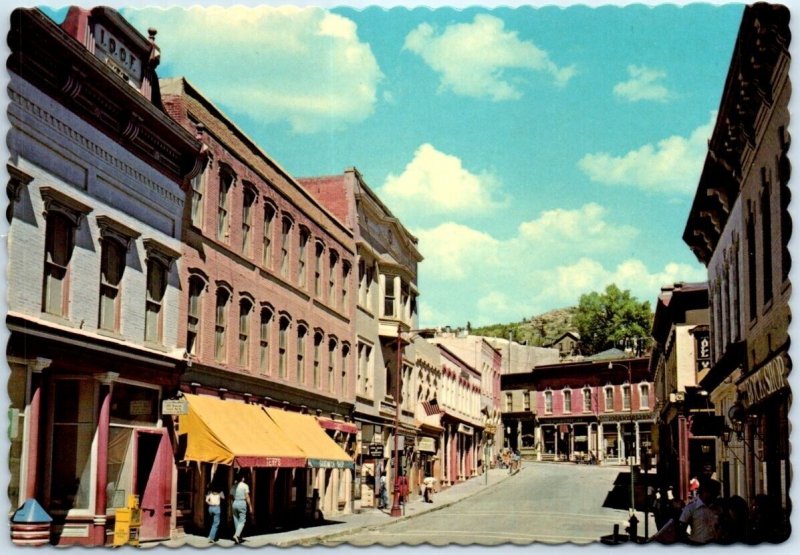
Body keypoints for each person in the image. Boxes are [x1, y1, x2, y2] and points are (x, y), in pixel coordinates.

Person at [678, 477, 721, 544]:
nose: (716, 496)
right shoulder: (691, 508)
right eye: (714, 493)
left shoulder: (718, 507)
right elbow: (681, 529)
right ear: (705, 492)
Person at [229, 472, 251, 544]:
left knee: (236, 520)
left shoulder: (234, 486)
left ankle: (239, 537)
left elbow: (231, 496)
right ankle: (236, 535)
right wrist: (250, 506)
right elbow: (247, 496)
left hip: (235, 503)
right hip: (242, 502)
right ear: (243, 478)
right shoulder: (245, 486)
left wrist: (232, 503)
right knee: (242, 520)